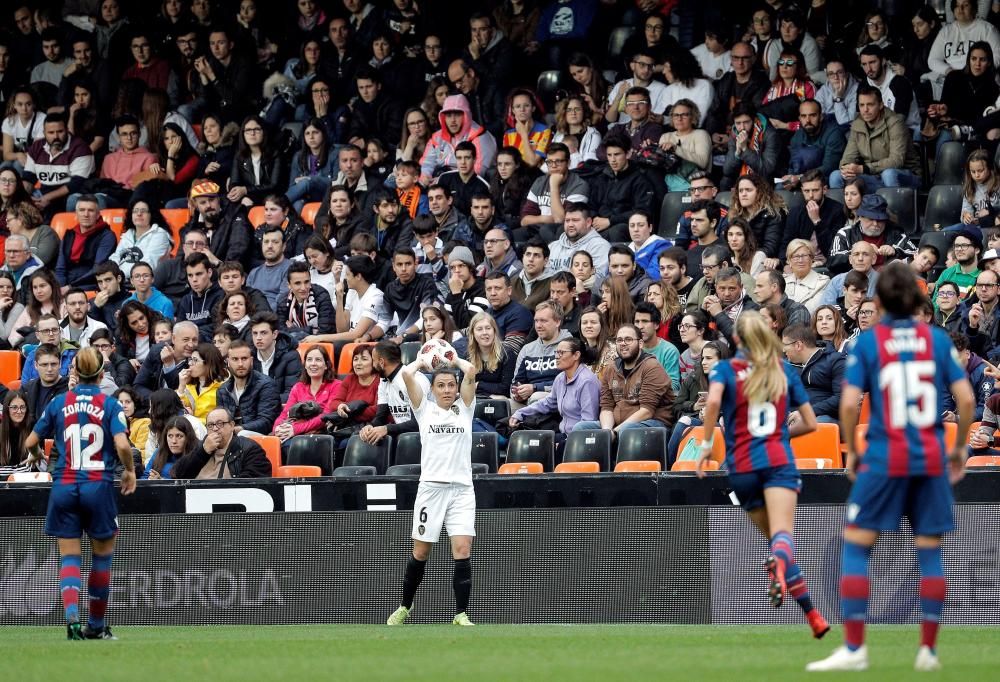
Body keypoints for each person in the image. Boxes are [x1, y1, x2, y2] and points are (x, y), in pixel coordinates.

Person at [807, 262, 975, 672]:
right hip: (931, 455)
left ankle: (855, 648)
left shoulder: (868, 343)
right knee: (930, 554)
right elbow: (967, 401)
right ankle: (929, 651)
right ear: (918, 299)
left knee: (856, 547)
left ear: (878, 300)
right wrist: (957, 450)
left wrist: (854, 453)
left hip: (885, 456)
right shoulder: (935, 339)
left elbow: (848, 405)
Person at [695, 312, 828, 640]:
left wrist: (705, 445)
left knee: (776, 541)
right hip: (778, 461)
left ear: (736, 340)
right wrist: (781, 436)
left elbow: (712, 404)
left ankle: (814, 617)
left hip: (741, 467)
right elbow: (811, 423)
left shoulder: (726, 370)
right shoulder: (782, 370)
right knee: (783, 539)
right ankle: (783, 571)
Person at [24, 347, 136, 640]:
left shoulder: (59, 402)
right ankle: (96, 627)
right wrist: (129, 470)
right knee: (102, 558)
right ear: (101, 374)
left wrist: (37, 454)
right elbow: (123, 446)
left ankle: (72, 619)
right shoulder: (110, 405)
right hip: (97, 486)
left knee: (70, 558)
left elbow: (30, 442)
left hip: (64, 485)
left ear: (74, 373)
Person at [386, 351, 478, 627]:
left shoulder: (466, 408)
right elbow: (406, 374)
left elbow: (471, 370)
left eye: (451, 384)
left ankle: (461, 614)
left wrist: (451, 356)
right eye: (441, 385)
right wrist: (424, 362)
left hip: (462, 490)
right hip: (431, 491)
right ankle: (404, 607)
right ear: (433, 389)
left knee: (462, 549)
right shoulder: (424, 409)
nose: (448, 390)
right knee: (421, 552)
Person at [573, 321, 675, 435]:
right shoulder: (611, 368)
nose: (623, 343)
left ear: (640, 343)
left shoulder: (652, 367)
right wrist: (607, 432)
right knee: (580, 428)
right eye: (619, 340)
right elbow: (607, 407)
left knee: (627, 432)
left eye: (628, 339)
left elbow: (647, 411)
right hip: (619, 425)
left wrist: (615, 432)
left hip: (652, 424)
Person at [509, 336, 600, 446]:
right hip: (563, 434)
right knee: (527, 442)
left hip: (579, 440)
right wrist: (520, 413)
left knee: (540, 448)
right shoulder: (561, 378)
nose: (556, 357)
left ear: (576, 355)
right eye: (556, 352)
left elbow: (588, 421)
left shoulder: (587, 381)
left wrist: (566, 443)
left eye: (561, 353)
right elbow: (547, 403)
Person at [830, 86, 921, 191]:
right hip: (874, 177)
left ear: (881, 105)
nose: (865, 110)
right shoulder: (857, 124)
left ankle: (894, 207)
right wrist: (847, 168)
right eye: (862, 105)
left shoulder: (896, 123)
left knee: (889, 174)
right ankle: (845, 207)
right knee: (836, 176)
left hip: (905, 175)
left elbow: (896, 161)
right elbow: (847, 158)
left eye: (870, 104)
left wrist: (863, 168)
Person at [171, 406, 272, 479]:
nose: (215, 429)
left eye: (220, 424)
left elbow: (253, 484)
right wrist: (203, 451)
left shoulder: (249, 448)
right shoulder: (200, 446)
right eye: (210, 425)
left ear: (232, 425)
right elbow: (177, 474)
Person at [510, 301, 572, 408]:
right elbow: (515, 382)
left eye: (543, 321)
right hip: (528, 401)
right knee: (502, 405)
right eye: (536, 321)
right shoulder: (527, 349)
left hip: (559, 399)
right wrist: (517, 393)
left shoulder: (569, 346)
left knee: (537, 397)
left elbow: (568, 382)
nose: (538, 326)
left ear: (557, 322)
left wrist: (535, 388)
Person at [215, 340, 281, 438]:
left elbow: (267, 422)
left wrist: (239, 429)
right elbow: (220, 420)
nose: (240, 364)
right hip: (231, 437)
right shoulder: (222, 390)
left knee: (242, 434)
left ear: (251, 360)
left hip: (261, 437)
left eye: (244, 358)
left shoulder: (266, 385)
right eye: (235, 359)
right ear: (228, 362)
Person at [466, 311, 515, 399]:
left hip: (499, 401)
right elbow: (463, 386)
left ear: (494, 331)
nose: (485, 332)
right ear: (473, 333)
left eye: (488, 328)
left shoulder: (507, 354)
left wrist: (478, 385)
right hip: (475, 398)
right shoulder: (468, 355)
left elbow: (506, 388)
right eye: (479, 329)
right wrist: (487, 394)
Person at [143, 415, 197, 480]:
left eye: (179, 436)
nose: (174, 441)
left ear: (188, 437)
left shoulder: (196, 455)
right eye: (170, 436)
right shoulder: (159, 452)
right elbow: (145, 477)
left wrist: (162, 481)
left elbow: (194, 483)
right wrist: (150, 480)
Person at [784, 240, 831, 315]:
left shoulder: (823, 282)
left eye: (804, 256)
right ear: (789, 261)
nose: (800, 260)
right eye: (796, 256)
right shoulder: (782, 282)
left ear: (812, 259)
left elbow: (810, 311)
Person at [0, 389, 35, 479]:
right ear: (7, 409)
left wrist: (9, 474)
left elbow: (30, 468)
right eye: (14, 407)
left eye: (22, 407)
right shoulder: (1, 430)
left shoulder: (33, 428)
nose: (19, 411)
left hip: (27, 483)